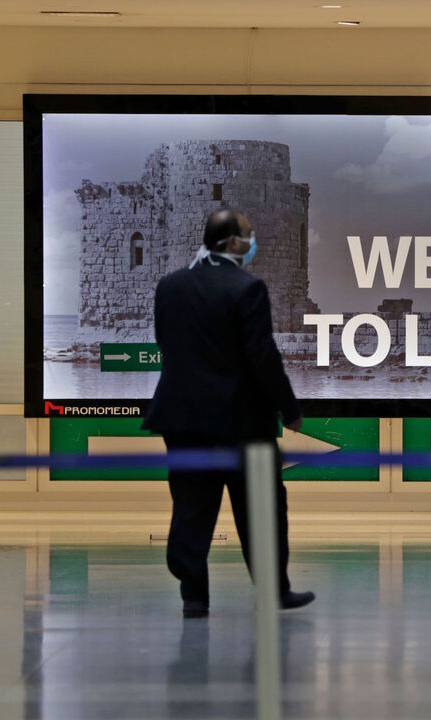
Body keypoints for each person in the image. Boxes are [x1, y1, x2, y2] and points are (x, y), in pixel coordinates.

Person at [143, 208, 315, 618]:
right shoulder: (247, 288)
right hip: (242, 421)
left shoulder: (170, 286)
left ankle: (194, 597)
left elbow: (164, 341)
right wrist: (289, 409)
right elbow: (262, 357)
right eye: (249, 235)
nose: (253, 242)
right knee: (261, 508)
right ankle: (275, 590)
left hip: (182, 418)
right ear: (234, 243)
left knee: (191, 506)